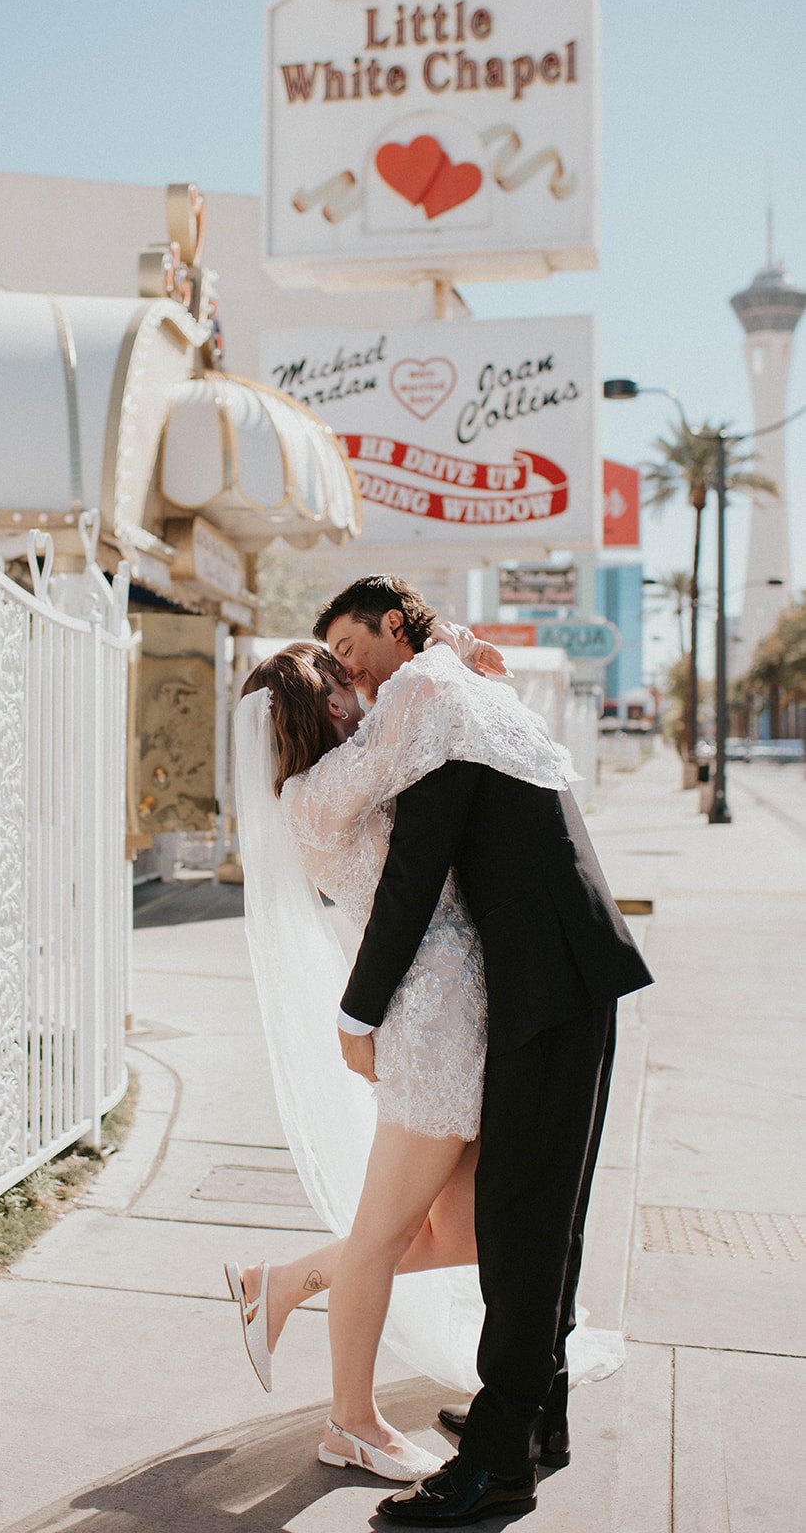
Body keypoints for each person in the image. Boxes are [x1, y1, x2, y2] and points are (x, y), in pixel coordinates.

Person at [228, 624, 621, 1484]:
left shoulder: (347, 771)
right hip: (429, 1020)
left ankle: (284, 1279)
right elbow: (414, 723)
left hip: (461, 1009)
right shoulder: (316, 791)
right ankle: (350, 1420)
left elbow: (439, 741)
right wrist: (441, 654)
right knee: (383, 1236)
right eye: (341, 676)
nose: (358, 686)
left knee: (475, 1231)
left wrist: (460, 672)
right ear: (324, 701)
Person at [314, 575, 653, 1527]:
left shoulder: (429, 694)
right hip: (564, 972)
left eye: (351, 650)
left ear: (392, 627)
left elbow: (416, 873)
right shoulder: (454, 687)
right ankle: (539, 1419)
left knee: (521, 1220)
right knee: (545, 1210)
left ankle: (500, 1460)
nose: (350, 673)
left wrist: (357, 1013)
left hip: (547, 981)